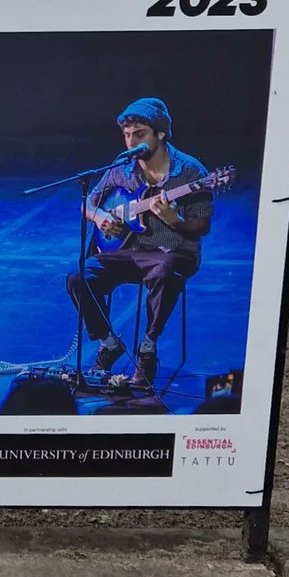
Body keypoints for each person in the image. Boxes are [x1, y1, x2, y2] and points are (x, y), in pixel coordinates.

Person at [65, 97, 212, 388]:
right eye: (127, 135)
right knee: (78, 277)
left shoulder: (191, 171)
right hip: (127, 251)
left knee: (164, 272)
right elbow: (89, 203)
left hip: (173, 252)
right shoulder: (122, 167)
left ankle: (148, 348)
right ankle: (109, 343)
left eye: (140, 134)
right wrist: (100, 217)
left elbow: (202, 225)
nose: (132, 143)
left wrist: (174, 220)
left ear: (161, 133)